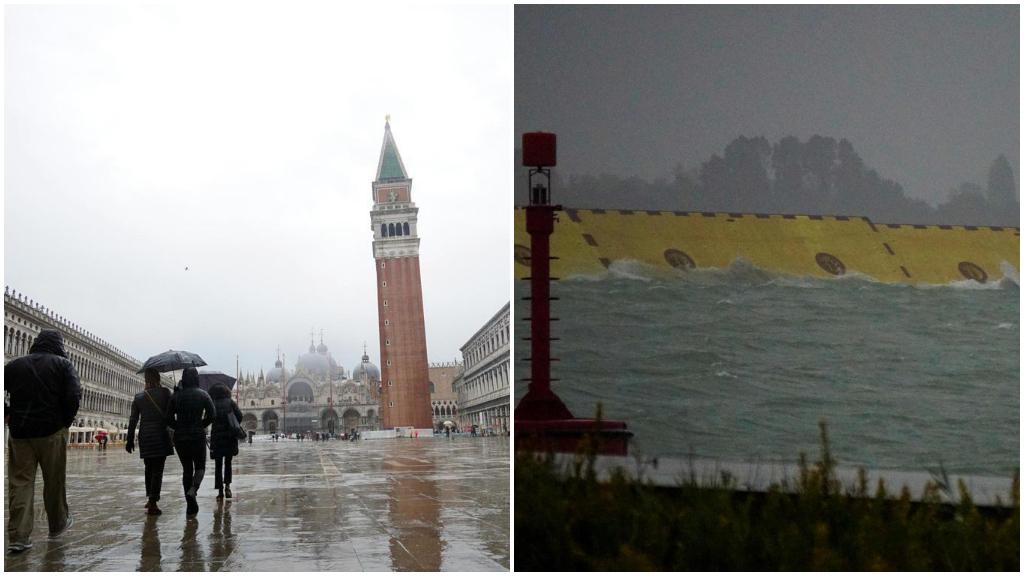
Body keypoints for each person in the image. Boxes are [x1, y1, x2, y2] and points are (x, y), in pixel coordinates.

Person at [4, 329, 81, 554]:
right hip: (52, 432)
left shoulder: (14, 366)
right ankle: (56, 525)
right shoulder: (63, 365)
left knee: (20, 483)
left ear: (36, 344)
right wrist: (65, 421)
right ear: (59, 345)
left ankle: (19, 536)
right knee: (54, 479)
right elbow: (74, 395)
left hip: (20, 433)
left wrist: (7, 413)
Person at [167, 367, 215, 517]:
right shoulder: (203, 394)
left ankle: (190, 504)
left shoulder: (176, 396)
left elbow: (168, 418)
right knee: (200, 467)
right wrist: (201, 424)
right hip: (197, 436)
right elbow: (212, 415)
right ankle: (193, 489)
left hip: (181, 437)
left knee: (187, 469)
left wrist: (179, 426)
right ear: (196, 378)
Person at [126, 369, 174, 515]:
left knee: (149, 468)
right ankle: (153, 501)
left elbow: (133, 419)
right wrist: (176, 393)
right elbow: (171, 412)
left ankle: (150, 498)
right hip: (160, 435)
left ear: (145, 380)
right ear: (158, 379)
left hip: (145, 436)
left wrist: (129, 440)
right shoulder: (166, 393)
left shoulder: (139, 396)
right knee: (157, 470)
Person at [208, 383, 242, 500]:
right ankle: (227, 486)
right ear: (226, 392)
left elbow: (209, 418)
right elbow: (240, 416)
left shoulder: (213, 403)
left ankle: (220, 492)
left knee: (218, 465)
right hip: (229, 437)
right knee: (228, 463)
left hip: (217, 438)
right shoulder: (230, 402)